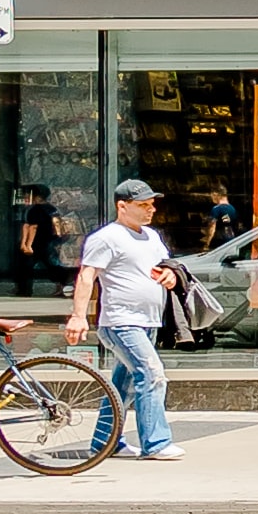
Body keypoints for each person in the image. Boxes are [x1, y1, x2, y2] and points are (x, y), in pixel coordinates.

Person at [69, 177, 181, 461]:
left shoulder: (151, 236)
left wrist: (168, 275)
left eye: (151, 204)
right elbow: (86, 276)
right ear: (122, 206)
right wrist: (78, 316)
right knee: (152, 374)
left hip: (149, 321)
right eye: (143, 205)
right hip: (121, 322)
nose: (150, 210)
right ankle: (155, 443)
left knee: (123, 386)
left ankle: (105, 442)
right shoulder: (106, 238)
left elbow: (162, 267)